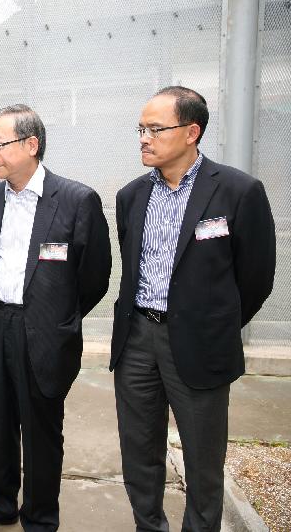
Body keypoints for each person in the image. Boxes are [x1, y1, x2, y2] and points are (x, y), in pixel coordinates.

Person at [111, 86, 276, 531]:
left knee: (204, 462)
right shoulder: (130, 197)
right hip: (137, 341)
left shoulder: (239, 192)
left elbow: (257, 277)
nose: (144, 138)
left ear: (191, 132)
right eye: (140, 129)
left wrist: (213, 326)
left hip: (200, 345)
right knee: (139, 454)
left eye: (155, 129)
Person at [0, 104, 111, 532]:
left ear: (31, 145)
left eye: (0, 144)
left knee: (42, 430)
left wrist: (59, 317)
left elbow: (96, 275)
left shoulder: (76, 200)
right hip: (0, 323)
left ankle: (40, 518)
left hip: (45, 331)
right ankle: (0, 504)